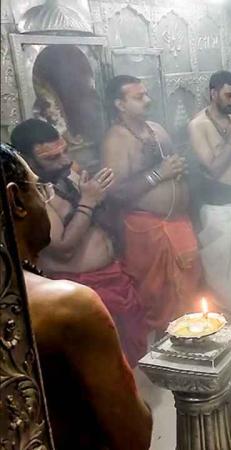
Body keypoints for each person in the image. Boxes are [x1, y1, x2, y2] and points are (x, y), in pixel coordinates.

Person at [1, 143, 152, 449]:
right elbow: (133, 437)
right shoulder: (66, 306)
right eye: (39, 190)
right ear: (15, 200)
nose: (45, 198)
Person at [10, 119, 149, 366]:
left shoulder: (66, 173)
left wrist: (103, 196)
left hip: (113, 278)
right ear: (26, 160)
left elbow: (98, 220)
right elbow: (63, 249)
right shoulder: (28, 196)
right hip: (80, 288)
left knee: (131, 357)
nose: (64, 161)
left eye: (65, 151)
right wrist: (88, 201)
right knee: (103, 363)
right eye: (52, 158)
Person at [101, 75, 202, 331]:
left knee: (189, 290)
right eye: (138, 97)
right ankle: (165, 344)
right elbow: (115, 192)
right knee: (159, 297)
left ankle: (190, 338)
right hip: (148, 230)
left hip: (178, 223)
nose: (147, 100)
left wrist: (179, 168)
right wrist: (158, 174)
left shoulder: (157, 129)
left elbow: (172, 165)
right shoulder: (116, 139)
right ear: (120, 104)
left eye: (146, 94)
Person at [188, 70, 231, 316]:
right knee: (223, 269)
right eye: (229, 95)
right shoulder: (198, 125)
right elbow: (214, 168)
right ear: (213, 93)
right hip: (218, 206)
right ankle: (228, 316)